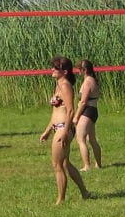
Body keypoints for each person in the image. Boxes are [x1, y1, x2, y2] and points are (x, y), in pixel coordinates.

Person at [39, 56, 91, 204]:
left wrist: (65, 131)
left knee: (57, 165)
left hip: (63, 128)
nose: (52, 70)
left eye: (56, 68)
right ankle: (85, 192)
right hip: (58, 127)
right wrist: (48, 131)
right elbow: (55, 113)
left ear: (65, 71)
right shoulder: (58, 85)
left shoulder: (65, 85)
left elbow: (70, 110)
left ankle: (60, 199)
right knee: (66, 164)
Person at [75, 59, 103, 172]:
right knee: (92, 139)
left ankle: (87, 165)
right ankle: (98, 164)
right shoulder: (93, 80)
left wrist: (76, 116)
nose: (78, 72)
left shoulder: (88, 81)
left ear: (84, 70)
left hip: (87, 111)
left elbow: (83, 101)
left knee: (81, 138)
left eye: (79, 69)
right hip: (93, 111)